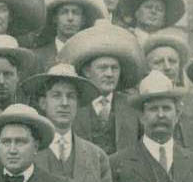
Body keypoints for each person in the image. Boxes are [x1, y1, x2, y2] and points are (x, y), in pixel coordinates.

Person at [61, 23, 144, 156]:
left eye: (114, 68)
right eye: (103, 68)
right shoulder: (74, 104)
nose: (109, 74)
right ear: (87, 71)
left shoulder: (131, 106)